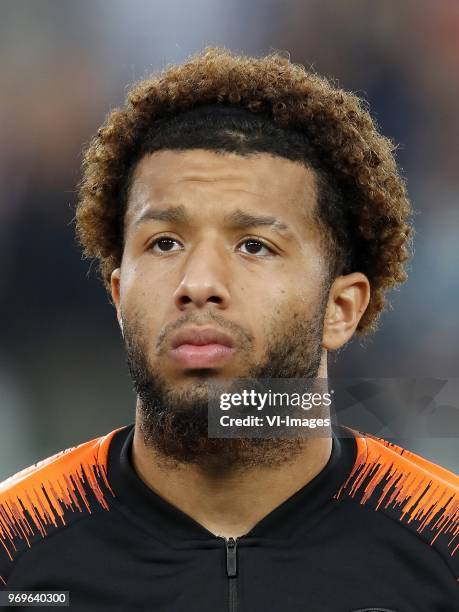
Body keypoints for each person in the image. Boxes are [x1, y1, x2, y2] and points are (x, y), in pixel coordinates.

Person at [0, 47, 457, 611]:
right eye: (164, 243)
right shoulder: (13, 548)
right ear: (118, 296)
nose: (198, 282)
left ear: (341, 308)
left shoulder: (445, 542)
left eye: (253, 246)